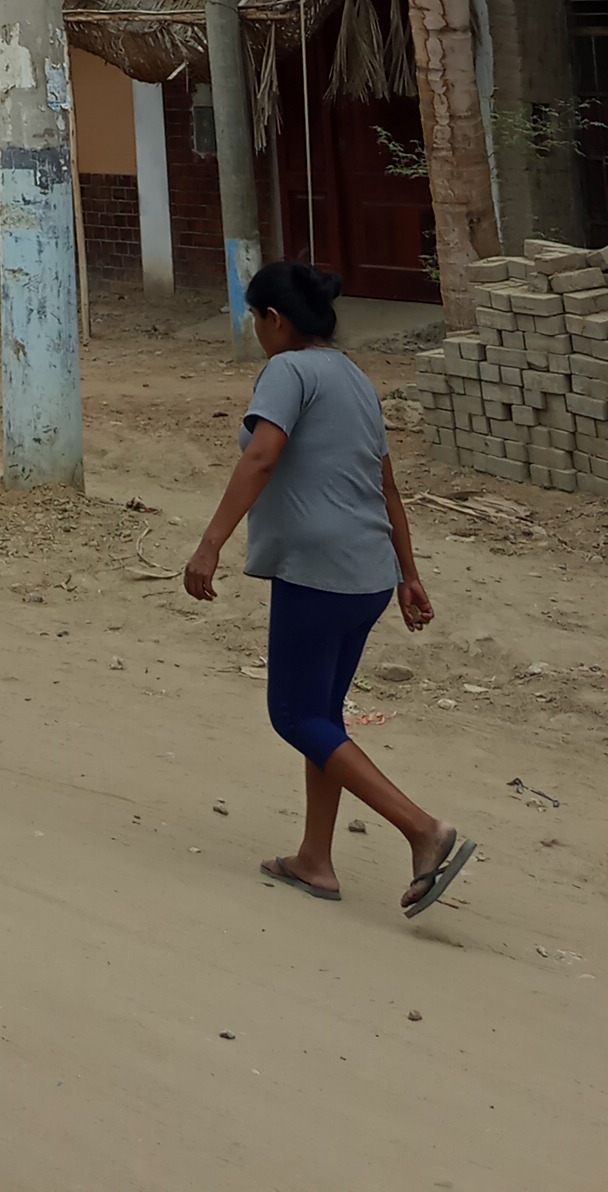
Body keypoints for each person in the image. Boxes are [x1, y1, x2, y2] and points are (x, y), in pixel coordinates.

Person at [183, 258, 473, 917]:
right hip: (368, 573)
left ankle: (422, 830)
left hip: (318, 571)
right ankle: (315, 859)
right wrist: (408, 574)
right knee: (323, 715)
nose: (256, 331)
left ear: (275, 319)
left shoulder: (287, 371)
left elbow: (262, 455)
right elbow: (386, 485)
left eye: (255, 319)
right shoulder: (354, 377)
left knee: (294, 715)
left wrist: (210, 543)